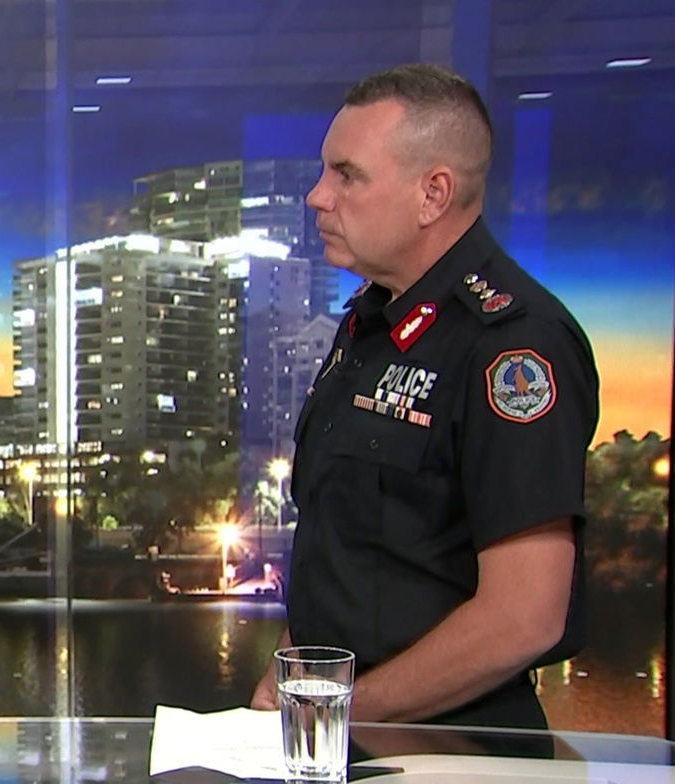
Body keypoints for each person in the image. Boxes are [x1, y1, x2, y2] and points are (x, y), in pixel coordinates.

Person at [251, 64, 598, 729]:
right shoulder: (368, 327)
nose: (318, 197)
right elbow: (357, 548)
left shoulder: (514, 347)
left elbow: (524, 618)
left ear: (432, 194)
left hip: (455, 769)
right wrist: (295, 670)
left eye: (347, 175)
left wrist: (341, 714)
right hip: (345, 747)